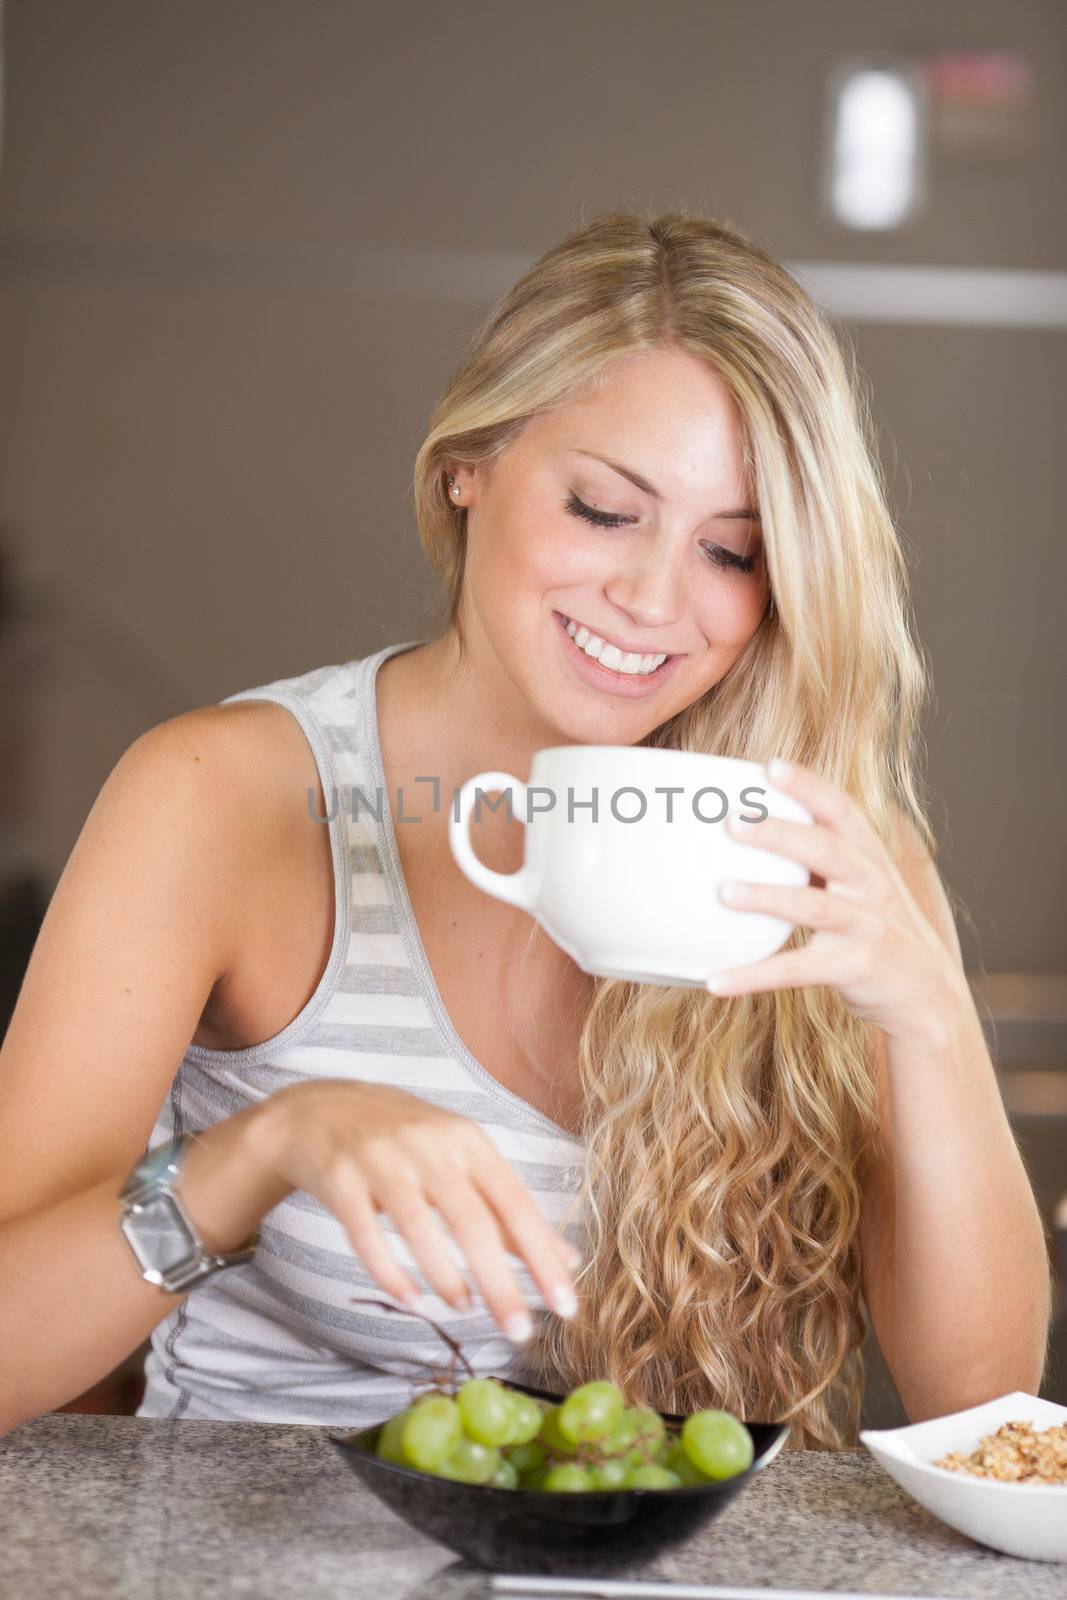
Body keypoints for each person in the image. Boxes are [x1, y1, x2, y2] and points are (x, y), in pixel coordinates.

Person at [0, 211, 1051, 1449]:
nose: (655, 598)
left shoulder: (815, 846)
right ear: (473, 462)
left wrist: (921, 1013)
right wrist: (256, 1153)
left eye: (730, 551)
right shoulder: (219, 796)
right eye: (604, 509)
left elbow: (980, 1412)